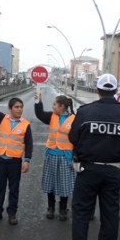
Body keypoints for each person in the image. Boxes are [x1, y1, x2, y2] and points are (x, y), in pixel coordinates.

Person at [59, 74, 120, 240]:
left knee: (82, 212)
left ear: (98, 90)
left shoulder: (85, 112)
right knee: (110, 214)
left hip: (89, 169)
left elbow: (73, 137)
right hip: (113, 171)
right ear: (116, 90)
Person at [0, 90, 33, 225]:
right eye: (16, 107)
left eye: (21, 107)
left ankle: (12, 213)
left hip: (15, 161)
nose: (19, 109)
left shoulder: (25, 124)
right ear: (10, 109)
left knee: (14, 188)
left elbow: (29, 144)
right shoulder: (2, 119)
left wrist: (27, 160)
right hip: (1, 159)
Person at [34, 91, 76, 221]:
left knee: (64, 184)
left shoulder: (74, 119)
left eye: (55, 104)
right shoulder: (52, 116)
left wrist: (75, 158)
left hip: (66, 156)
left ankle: (63, 209)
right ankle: (50, 208)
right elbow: (40, 114)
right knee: (50, 183)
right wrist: (38, 102)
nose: (53, 107)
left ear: (62, 106)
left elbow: (78, 140)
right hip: (51, 153)